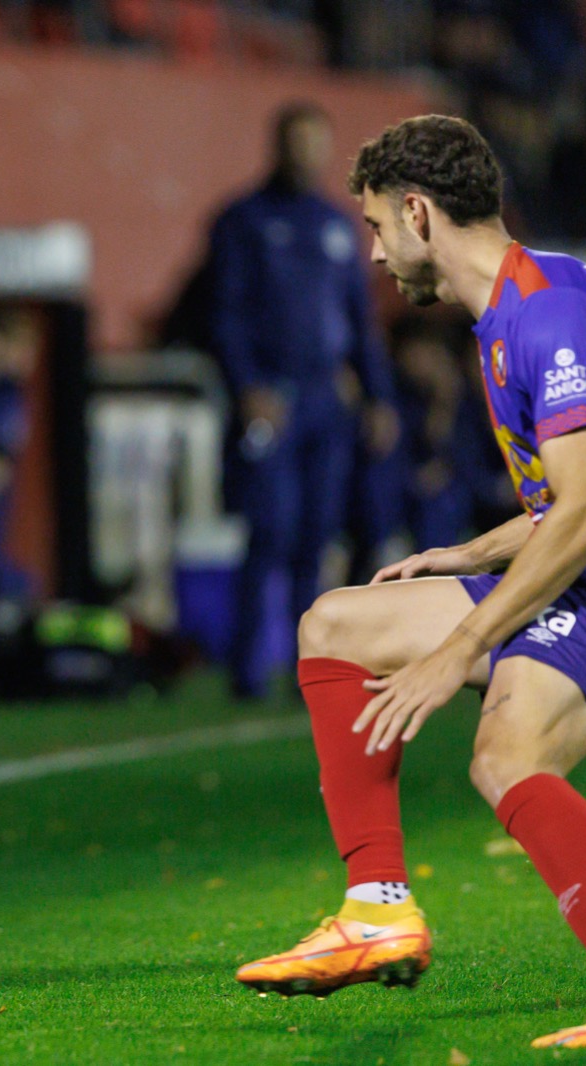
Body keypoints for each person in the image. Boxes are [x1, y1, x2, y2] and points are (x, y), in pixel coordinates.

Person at [233, 116, 586, 1049]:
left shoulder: (545, 317)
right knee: (335, 623)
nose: (375, 256)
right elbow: (574, 496)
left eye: (378, 228)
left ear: (419, 213)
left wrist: (458, 649)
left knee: (504, 755)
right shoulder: (514, 309)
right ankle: (376, 909)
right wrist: (468, 554)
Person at [207, 101, 397, 699]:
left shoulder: (339, 225)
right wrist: (246, 387)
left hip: (325, 401)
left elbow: (359, 323)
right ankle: (246, 671)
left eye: (315, 144)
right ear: (277, 145)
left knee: (317, 534)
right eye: (295, 143)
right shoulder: (242, 220)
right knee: (271, 529)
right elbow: (225, 315)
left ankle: (305, 669)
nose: (305, 156)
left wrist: (377, 396)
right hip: (273, 398)